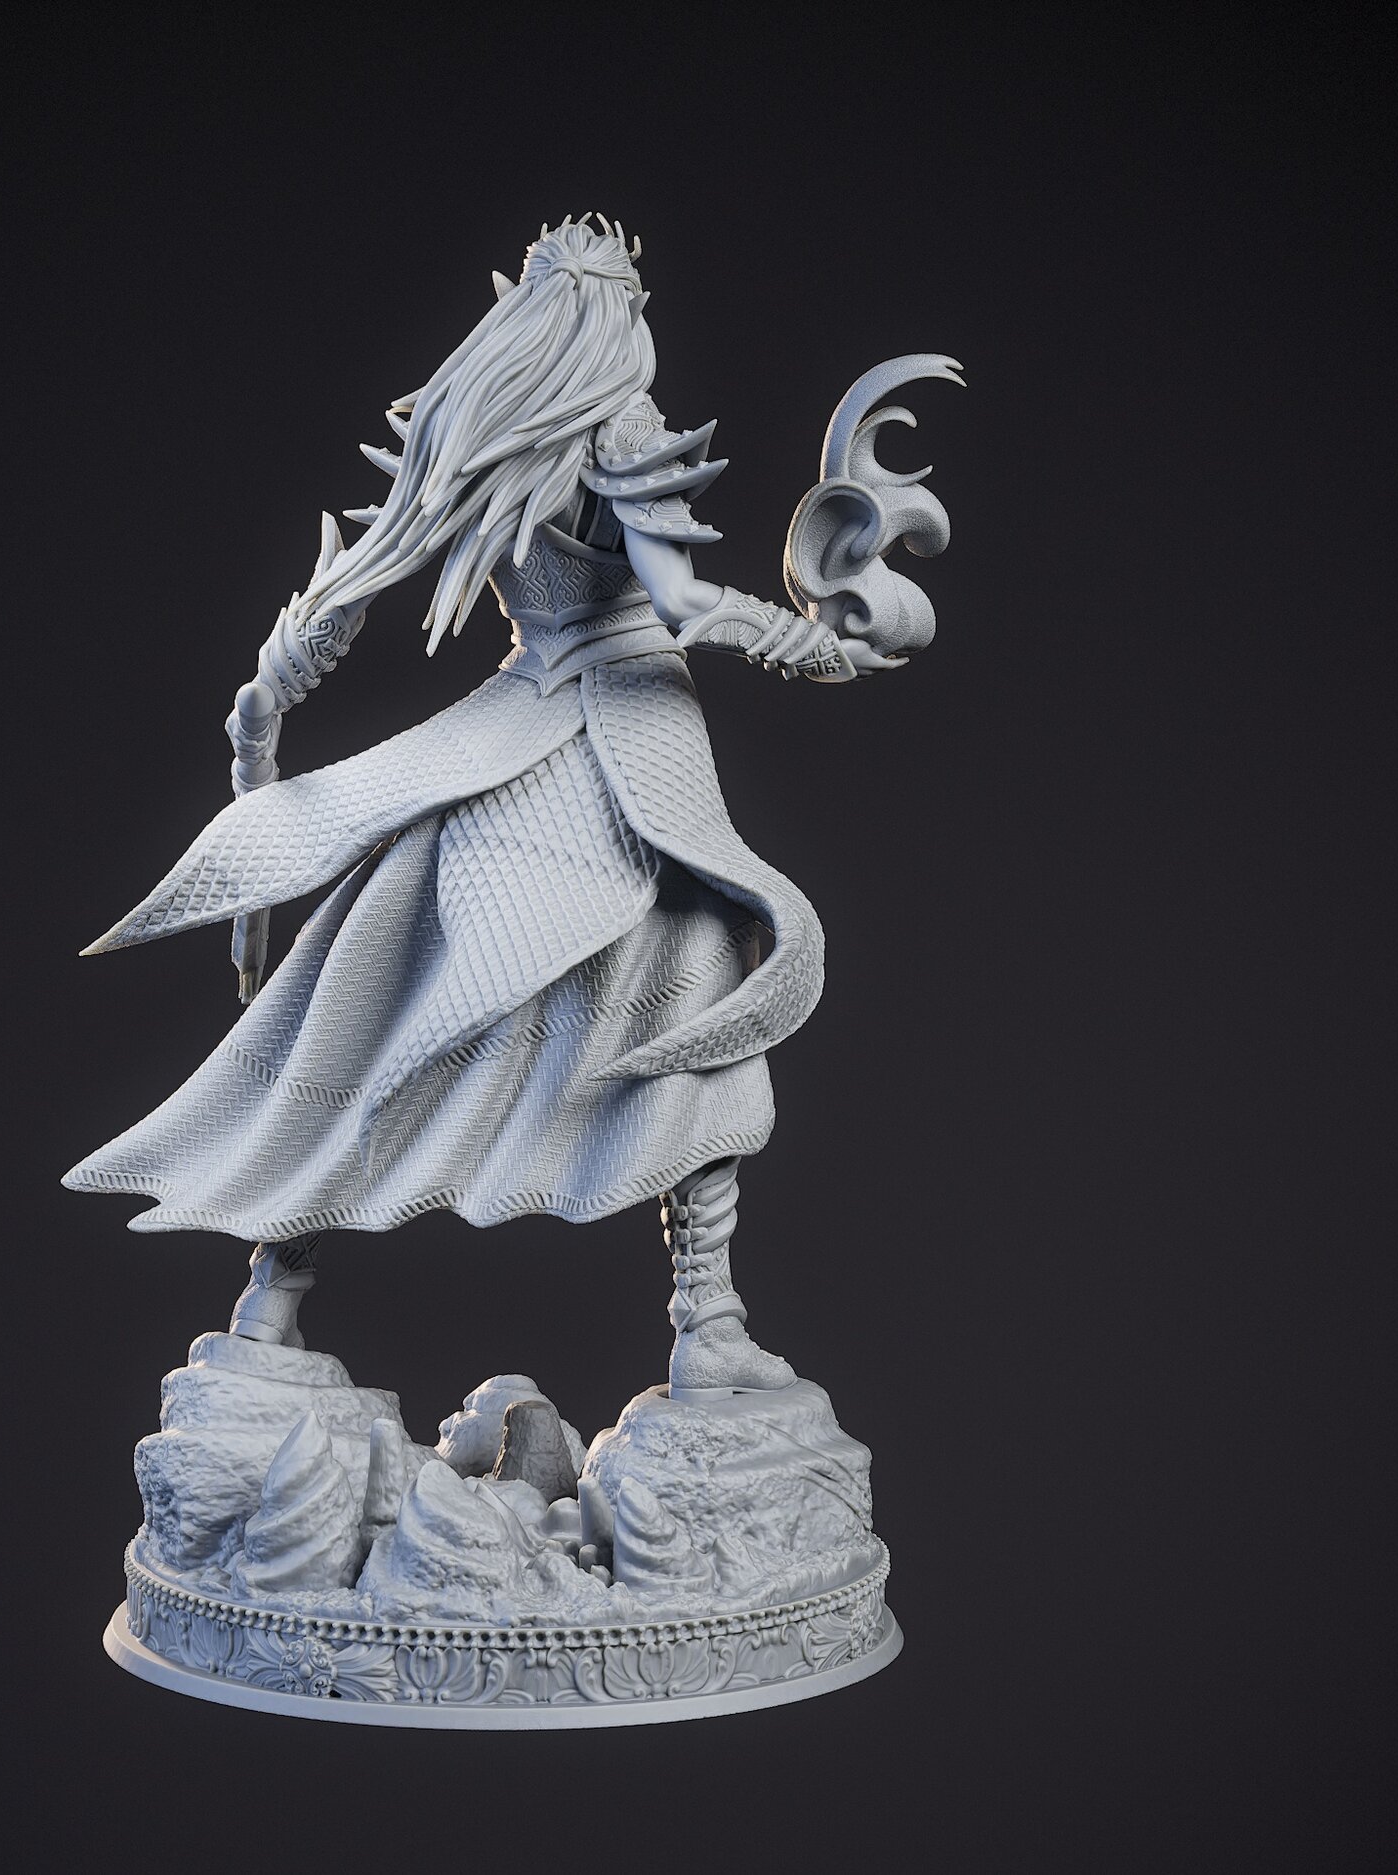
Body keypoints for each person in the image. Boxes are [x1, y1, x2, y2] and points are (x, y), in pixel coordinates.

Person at [63, 215, 937, 1398]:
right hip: (619, 753)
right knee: (696, 1001)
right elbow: (680, 604)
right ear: (613, 318)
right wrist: (815, 648)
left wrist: (264, 701)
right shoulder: (616, 423)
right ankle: (704, 1316)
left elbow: (344, 591)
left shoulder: (467, 422)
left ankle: (275, 1298)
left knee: (385, 1006)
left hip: (509, 741)